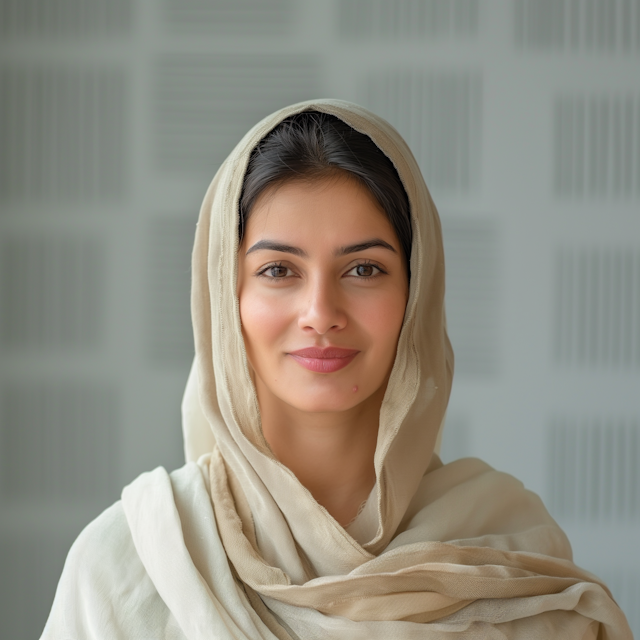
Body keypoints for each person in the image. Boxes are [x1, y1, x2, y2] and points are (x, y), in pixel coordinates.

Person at [41, 100, 632, 639]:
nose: (321, 314)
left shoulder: (513, 561)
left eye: (364, 270)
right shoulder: (128, 568)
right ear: (226, 299)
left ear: (416, 296)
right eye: (278, 270)